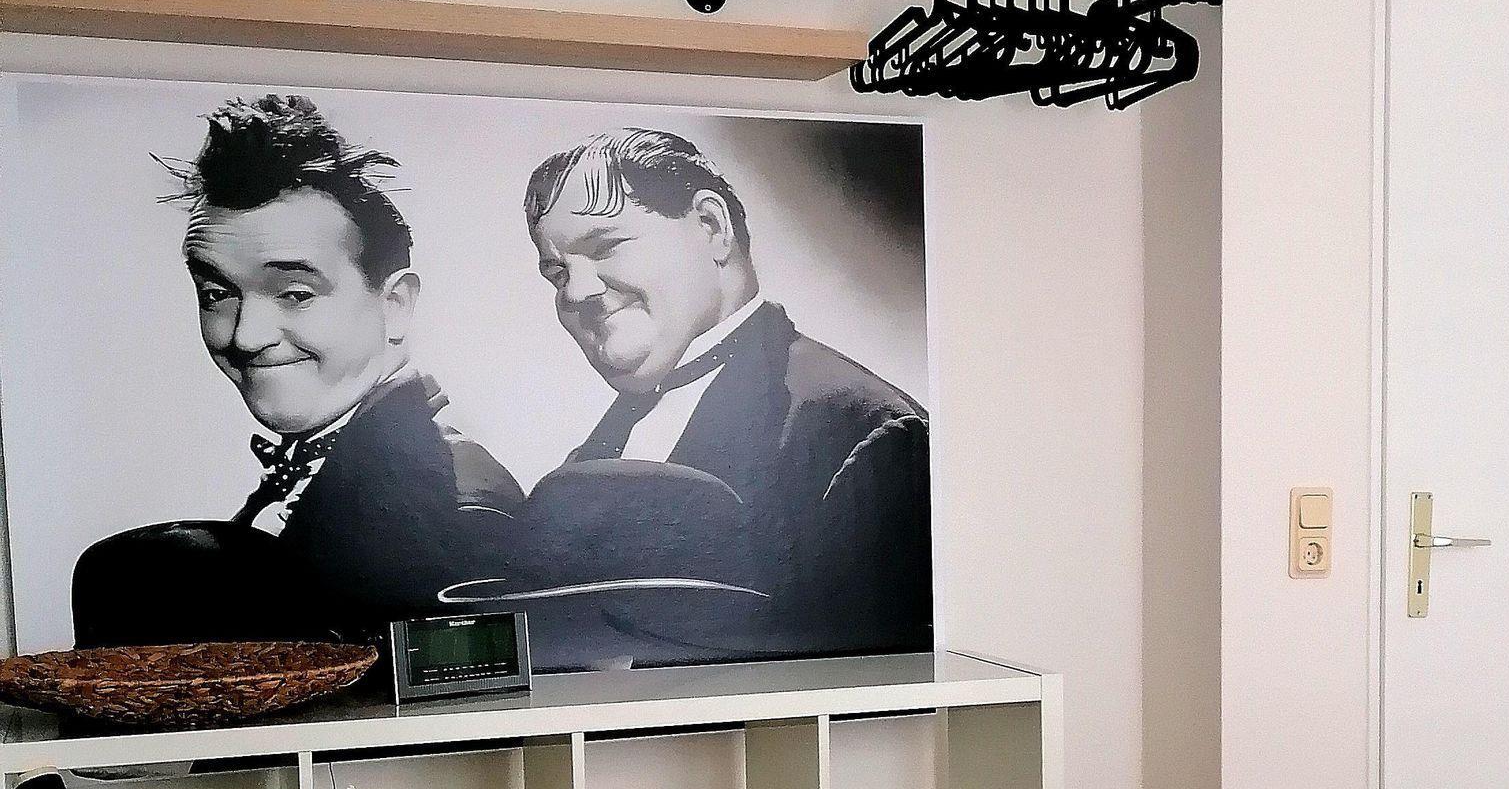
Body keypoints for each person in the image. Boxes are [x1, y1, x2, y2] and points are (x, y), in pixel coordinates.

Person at [71, 94, 522, 649]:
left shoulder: (452, 506)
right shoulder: (341, 470)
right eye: (217, 294)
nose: (245, 336)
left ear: (395, 305)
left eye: (295, 293)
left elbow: (460, 699)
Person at [516, 128, 932, 665]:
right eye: (557, 274)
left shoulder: (864, 431)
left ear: (712, 227)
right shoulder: (594, 454)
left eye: (605, 247)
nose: (576, 291)